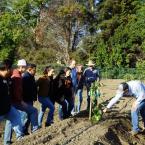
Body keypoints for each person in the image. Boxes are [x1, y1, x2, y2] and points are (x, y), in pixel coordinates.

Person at [4, 59, 39, 143]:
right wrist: (21, 101)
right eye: (25, 67)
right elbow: (17, 91)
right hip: (16, 102)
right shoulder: (18, 77)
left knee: (10, 121)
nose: (26, 68)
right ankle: (33, 132)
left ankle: (7, 141)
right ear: (21, 67)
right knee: (33, 111)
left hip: (12, 101)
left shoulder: (17, 75)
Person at [0, 60, 23, 145]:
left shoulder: (8, 77)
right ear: (6, 68)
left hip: (8, 108)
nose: (13, 69)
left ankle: (21, 140)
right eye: (12, 67)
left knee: (17, 117)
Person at [22, 63, 37, 134]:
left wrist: (34, 97)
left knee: (28, 116)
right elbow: (24, 90)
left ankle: (25, 131)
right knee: (25, 117)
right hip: (25, 100)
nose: (35, 71)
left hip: (30, 99)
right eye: (34, 70)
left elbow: (33, 88)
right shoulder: (25, 77)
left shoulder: (31, 76)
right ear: (29, 69)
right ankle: (22, 132)